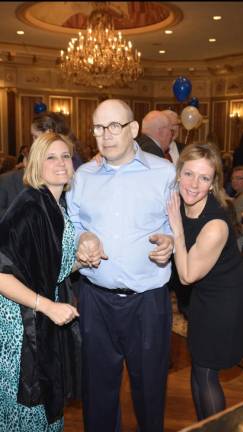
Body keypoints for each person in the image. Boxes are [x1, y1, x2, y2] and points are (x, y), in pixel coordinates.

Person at [66, 99, 176, 432]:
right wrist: (82, 236)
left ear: (132, 129)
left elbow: (174, 225)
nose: (105, 135)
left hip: (148, 300)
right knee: (97, 390)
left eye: (114, 126)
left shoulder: (163, 172)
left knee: (150, 391)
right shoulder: (82, 176)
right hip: (95, 299)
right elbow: (72, 221)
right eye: (98, 127)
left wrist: (170, 243)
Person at [0, 132, 80, 431]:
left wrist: (79, 262)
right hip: (20, 323)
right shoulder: (30, 206)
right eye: (51, 157)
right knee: (27, 409)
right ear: (36, 163)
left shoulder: (53, 203)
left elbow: (44, 264)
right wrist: (48, 305)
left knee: (42, 404)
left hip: (38, 311)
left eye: (65, 156)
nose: (61, 163)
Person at [167, 142, 243, 421]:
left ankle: (216, 428)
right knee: (198, 367)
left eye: (204, 178)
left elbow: (187, 274)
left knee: (206, 371)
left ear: (213, 183)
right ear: (178, 173)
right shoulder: (184, 203)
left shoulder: (215, 224)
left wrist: (175, 230)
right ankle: (204, 426)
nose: (193, 184)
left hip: (224, 303)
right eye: (189, 174)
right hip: (202, 298)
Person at [0, 111, 83, 218]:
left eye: (35, 137)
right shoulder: (11, 183)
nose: (62, 162)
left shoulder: (68, 192)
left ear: (49, 133)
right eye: (51, 157)